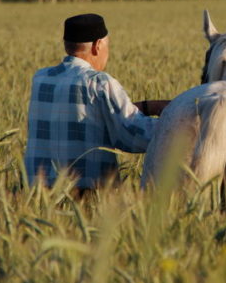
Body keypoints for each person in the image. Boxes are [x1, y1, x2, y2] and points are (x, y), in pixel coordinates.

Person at [24, 13, 169, 193]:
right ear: (97, 45)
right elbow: (133, 136)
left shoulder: (41, 78)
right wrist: (178, 121)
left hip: (37, 194)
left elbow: (85, 113)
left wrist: (147, 107)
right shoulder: (99, 82)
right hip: (87, 194)